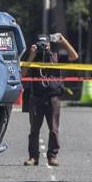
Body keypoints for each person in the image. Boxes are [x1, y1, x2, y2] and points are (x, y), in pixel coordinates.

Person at [22, 32, 79, 167]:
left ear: (49, 45)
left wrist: (63, 41)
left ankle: (52, 156)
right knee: (34, 130)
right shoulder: (33, 58)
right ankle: (33, 157)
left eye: (45, 44)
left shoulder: (56, 57)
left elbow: (74, 56)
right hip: (36, 98)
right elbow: (23, 73)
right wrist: (31, 55)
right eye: (40, 44)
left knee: (53, 129)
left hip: (53, 98)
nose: (43, 47)